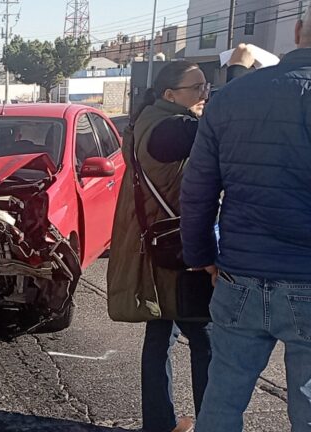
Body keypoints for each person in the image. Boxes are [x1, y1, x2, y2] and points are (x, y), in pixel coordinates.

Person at [180, 9, 311, 432]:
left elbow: (197, 189)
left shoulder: (231, 98)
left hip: (238, 279)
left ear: (296, 31)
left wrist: (203, 256)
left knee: (221, 401)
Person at [107, 61, 213, 432]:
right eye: (197, 87)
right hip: (179, 250)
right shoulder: (174, 128)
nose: (205, 93)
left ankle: (159, 423)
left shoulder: (146, 121)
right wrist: (238, 75)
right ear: (171, 95)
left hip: (156, 245)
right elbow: (227, 127)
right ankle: (211, 422)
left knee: (160, 335)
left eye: (206, 85)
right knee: (204, 340)